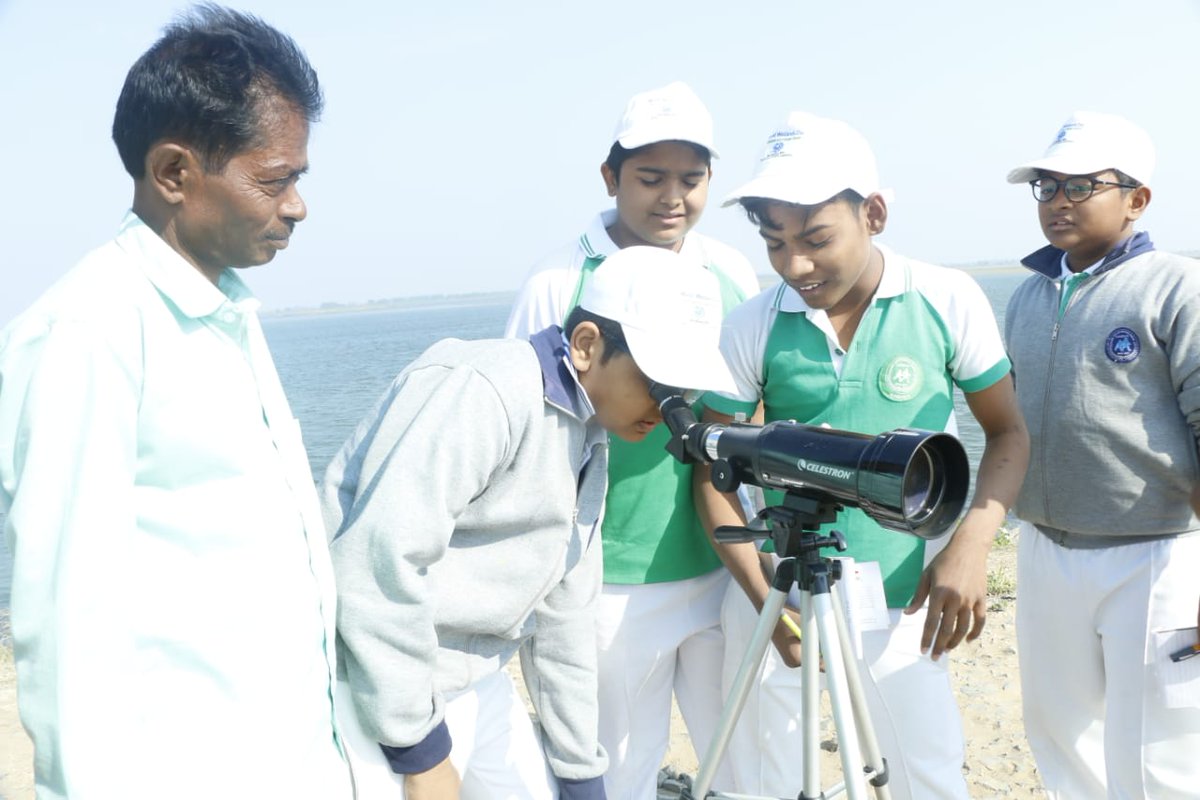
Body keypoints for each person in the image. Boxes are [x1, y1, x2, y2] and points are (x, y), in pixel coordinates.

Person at [0, 6, 351, 799]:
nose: (297, 205)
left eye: (298, 178)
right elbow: (66, 630)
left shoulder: (225, 311)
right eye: (275, 179)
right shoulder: (85, 334)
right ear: (173, 172)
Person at [693, 112, 1029, 799]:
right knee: (771, 780)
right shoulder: (752, 322)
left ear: (873, 212)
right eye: (774, 242)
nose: (795, 265)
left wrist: (970, 547)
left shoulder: (945, 298)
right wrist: (765, 599)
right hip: (777, 587)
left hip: (900, 598)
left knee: (923, 776)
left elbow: (1008, 433)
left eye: (817, 239)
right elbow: (712, 465)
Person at [323, 246, 737, 800]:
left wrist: (579, 772)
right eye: (659, 382)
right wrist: (419, 752)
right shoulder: (484, 388)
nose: (671, 407)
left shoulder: (588, 432)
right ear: (588, 345)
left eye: (685, 390)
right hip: (374, 688)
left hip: (477, 679)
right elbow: (378, 563)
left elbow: (564, 614)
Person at [505, 80, 759, 798]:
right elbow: (527, 435)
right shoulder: (560, 280)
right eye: (650, 178)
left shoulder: (731, 272)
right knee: (618, 770)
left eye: (691, 178)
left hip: (723, 566)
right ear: (610, 176)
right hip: (607, 582)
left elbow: (742, 413)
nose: (671, 197)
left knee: (745, 762)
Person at [1003, 111, 1200, 798]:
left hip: (1156, 556)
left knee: (1157, 756)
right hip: (1045, 547)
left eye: (1081, 185)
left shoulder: (1179, 287)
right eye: (1047, 186)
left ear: (1137, 198)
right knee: (1060, 734)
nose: (1058, 201)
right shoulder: (1028, 295)